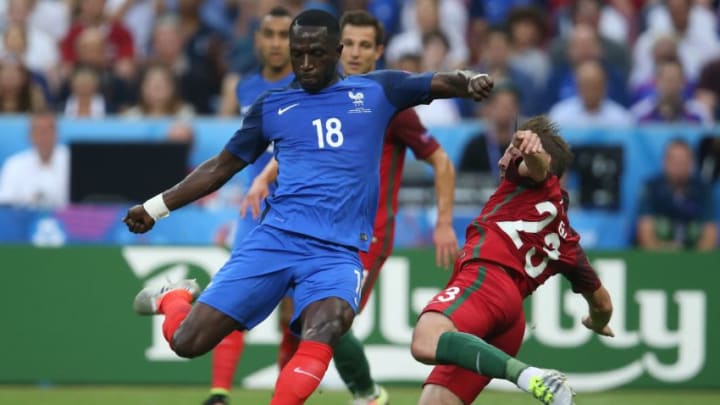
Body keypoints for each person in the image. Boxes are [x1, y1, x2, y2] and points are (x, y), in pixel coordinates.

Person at [124, 9, 493, 405]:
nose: (305, 63)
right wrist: (155, 206)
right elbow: (219, 167)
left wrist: (468, 82)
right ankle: (174, 298)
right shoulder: (273, 106)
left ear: (336, 51)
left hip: (336, 253)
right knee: (187, 343)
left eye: (316, 53)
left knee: (329, 325)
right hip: (275, 241)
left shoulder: (376, 92)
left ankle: (357, 393)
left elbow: (435, 82)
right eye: (297, 52)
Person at [238, 10, 458, 405]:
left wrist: (444, 222)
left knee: (322, 322)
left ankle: (366, 395)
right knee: (297, 318)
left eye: (364, 45)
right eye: (350, 44)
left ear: (379, 50)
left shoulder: (387, 102)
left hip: (365, 235)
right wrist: (264, 177)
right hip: (316, 227)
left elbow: (441, 161)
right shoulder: (325, 93)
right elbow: (304, 146)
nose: (355, 53)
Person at [410, 116, 615, 405]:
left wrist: (532, 154)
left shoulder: (524, 179)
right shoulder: (568, 240)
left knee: (426, 338)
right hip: (510, 320)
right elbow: (603, 303)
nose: (502, 161)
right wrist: (595, 321)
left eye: (510, 151)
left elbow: (537, 168)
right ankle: (528, 375)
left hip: (487, 280)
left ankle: (532, 377)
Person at [203, 6, 295, 405]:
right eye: (268, 34)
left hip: (296, 207)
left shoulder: (311, 84)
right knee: (233, 298)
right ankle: (220, 392)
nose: (275, 43)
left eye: (282, 35)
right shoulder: (241, 87)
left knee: (292, 314)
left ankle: (285, 393)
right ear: (257, 40)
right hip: (254, 211)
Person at [636, 138, 717, 251]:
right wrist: (665, 253)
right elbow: (645, 233)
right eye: (674, 160)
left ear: (692, 163)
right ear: (664, 162)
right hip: (659, 258)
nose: (678, 166)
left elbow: (710, 233)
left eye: (683, 161)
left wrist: (691, 261)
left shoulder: (703, 190)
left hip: (695, 258)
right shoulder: (651, 188)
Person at [0, 111, 68, 208]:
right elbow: (5, 204)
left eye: (48, 131)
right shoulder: (14, 164)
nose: (44, 137)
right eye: (38, 131)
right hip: (25, 221)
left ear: (57, 134)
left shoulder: (73, 162)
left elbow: (83, 204)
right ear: (30, 136)